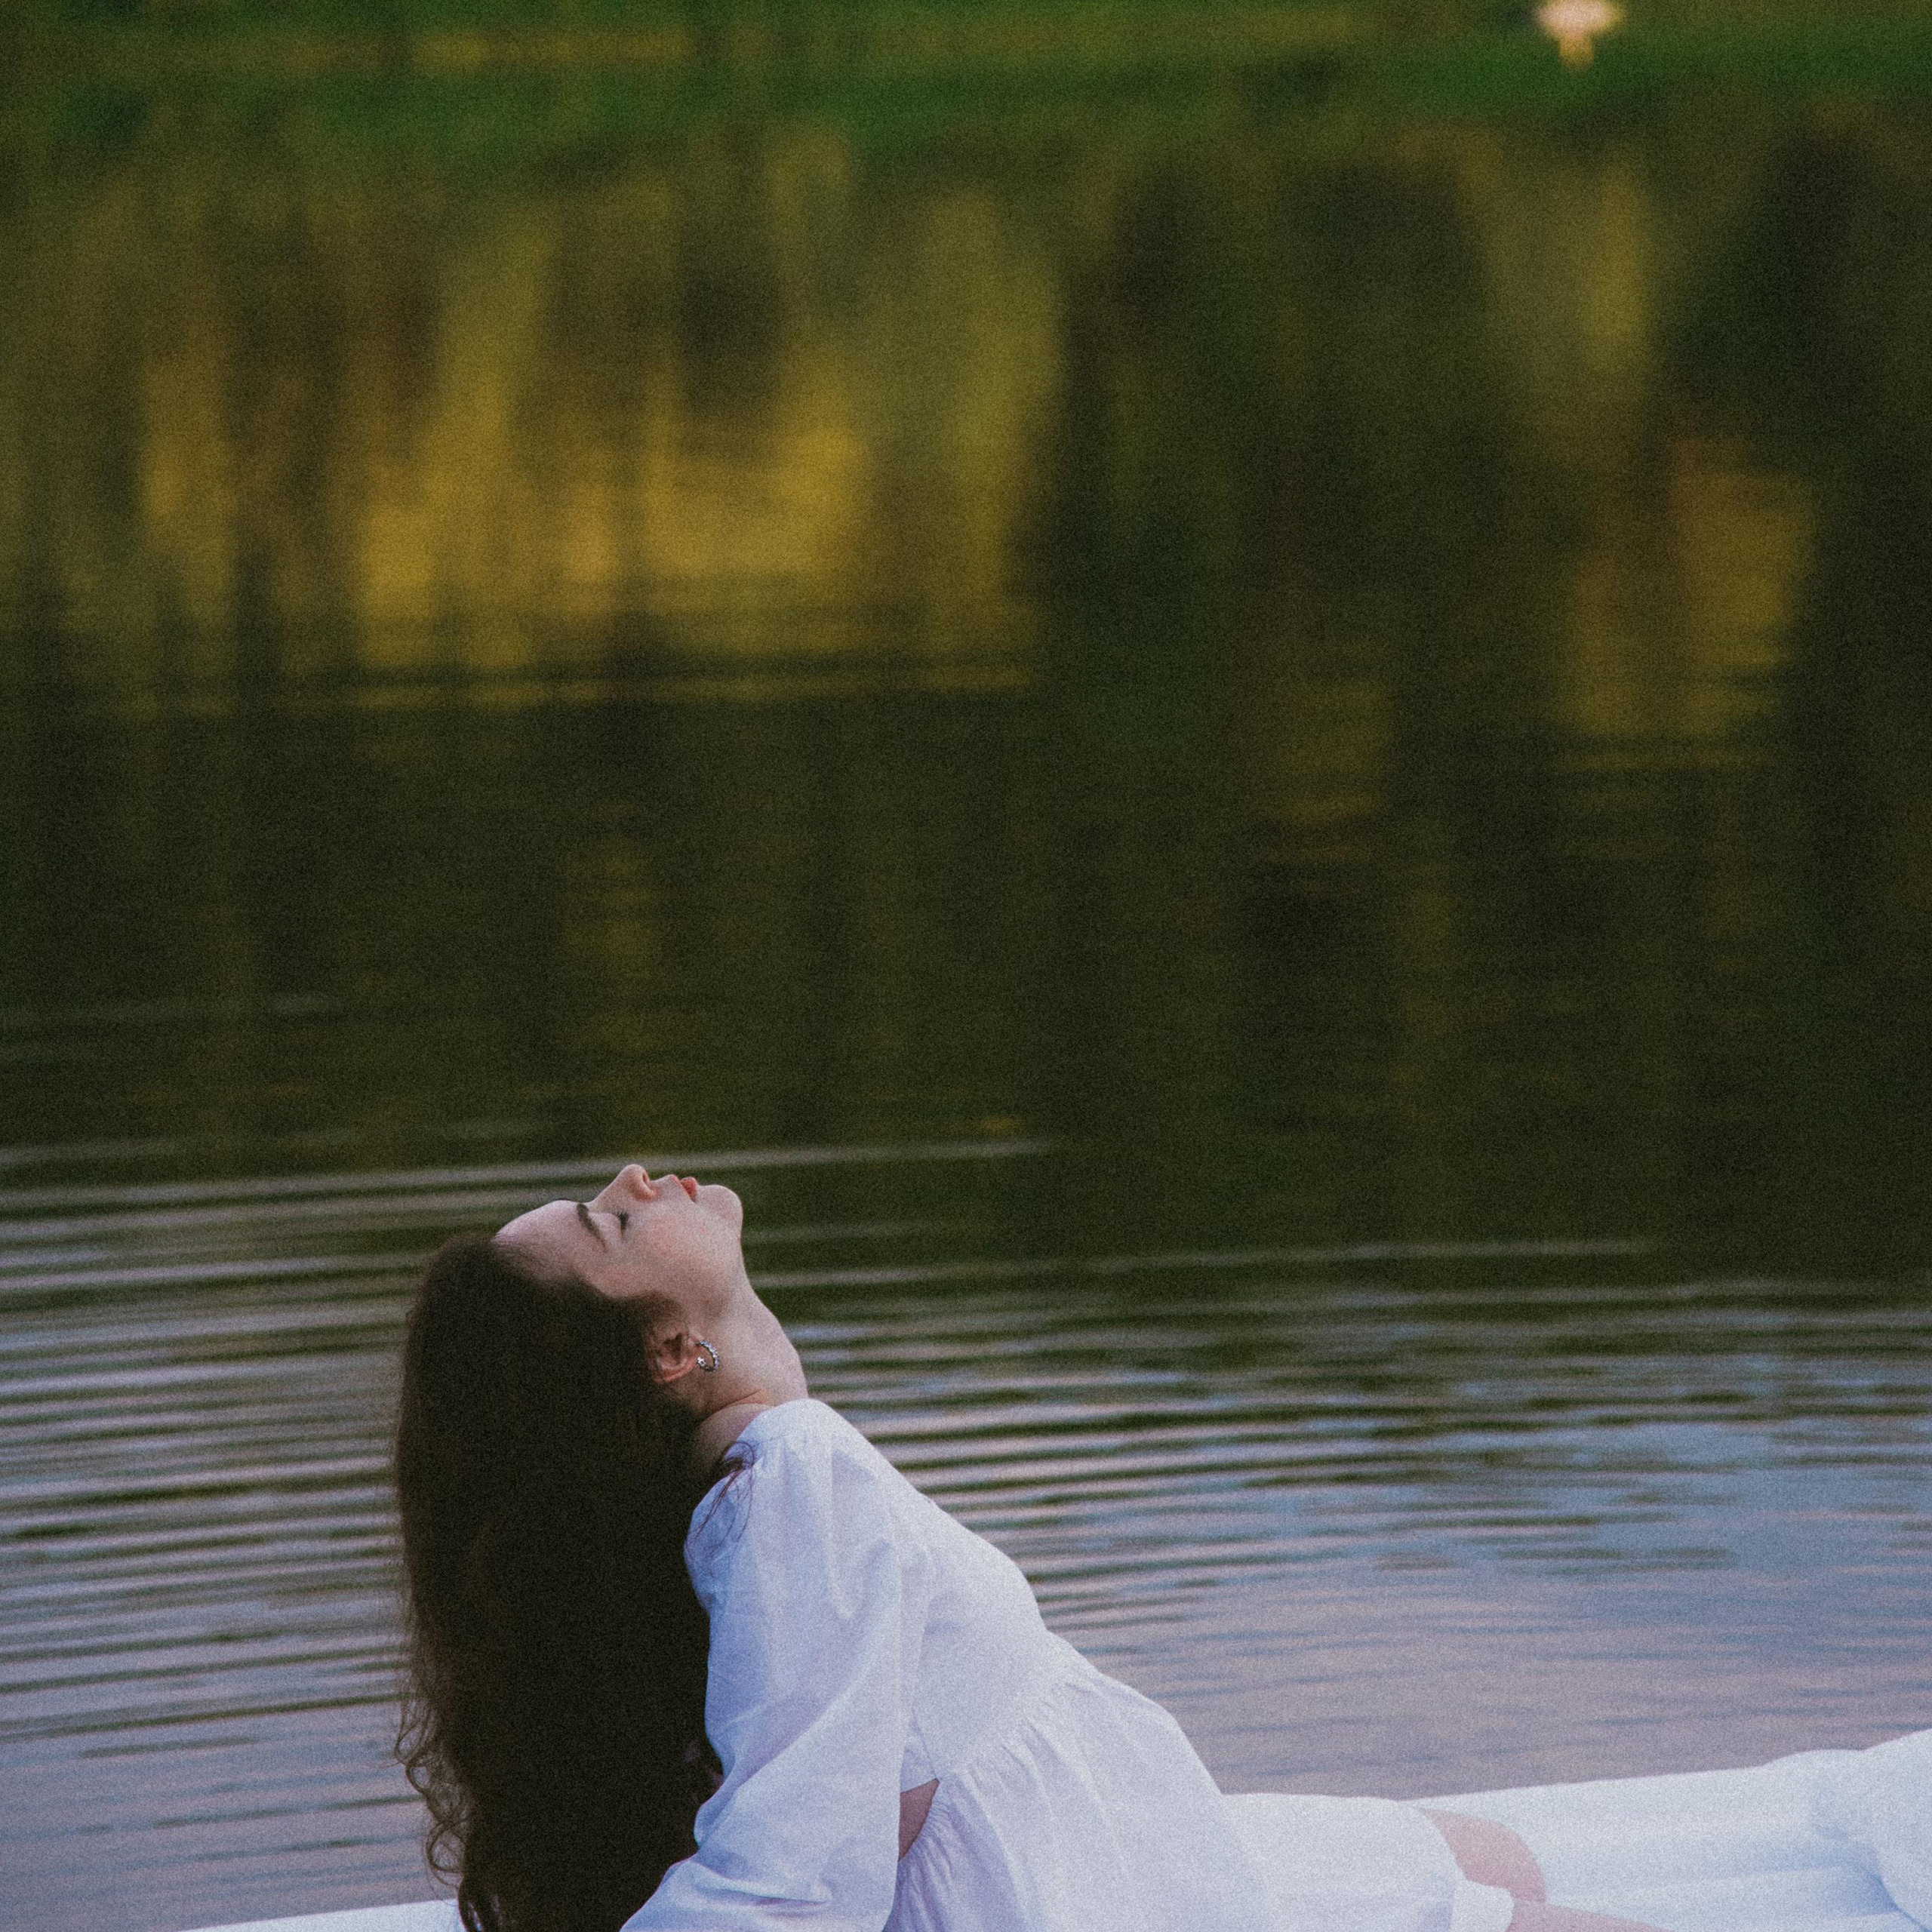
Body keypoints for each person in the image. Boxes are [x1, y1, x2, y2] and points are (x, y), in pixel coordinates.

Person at [395, 1161, 1669, 1932]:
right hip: (1046, 1898)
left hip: (1100, 1839)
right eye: (609, 1222)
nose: (632, 1177)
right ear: (672, 1353)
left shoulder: (749, 1483)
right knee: (1529, 1902)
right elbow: (793, 1876)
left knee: (1484, 1856)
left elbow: (845, 1771)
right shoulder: (795, 1483)